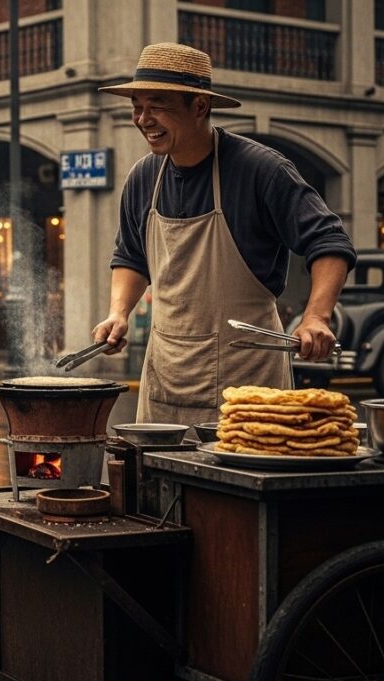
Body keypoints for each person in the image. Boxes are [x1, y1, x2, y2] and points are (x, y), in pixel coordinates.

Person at [93, 43, 355, 425]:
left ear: (200, 106)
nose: (142, 119)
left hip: (248, 383)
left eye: (157, 105)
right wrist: (119, 313)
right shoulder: (143, 177)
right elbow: (131, 256)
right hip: (166, 379)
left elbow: (329, 241)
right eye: (136, 106)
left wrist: (317, 316)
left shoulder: (260, 169)